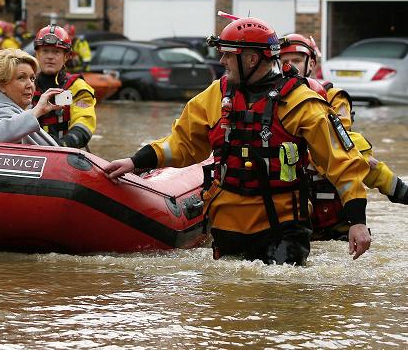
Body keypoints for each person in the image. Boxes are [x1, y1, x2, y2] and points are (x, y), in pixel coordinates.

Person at [104, 17, 372, 265]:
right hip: (227, 223)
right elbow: (182, 144)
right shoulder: (214, 96)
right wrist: (134, 161)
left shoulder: (301, 103)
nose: (221, 60)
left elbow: (343, 163)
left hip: (282, 227)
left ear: (252, 59)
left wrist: (357, 222)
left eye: (228, 55)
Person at [280, 33, 408, 240]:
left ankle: (399, 191)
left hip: (325, 164)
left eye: (295, 61)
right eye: (284, 61)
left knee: (357, 148)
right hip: (289, 170)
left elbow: (337, 139)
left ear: (311, 63)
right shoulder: (273, 97)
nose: (289, 66)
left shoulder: (333, 96)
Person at [0, 48, 63, 145]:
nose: (30, 85)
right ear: (2, 85)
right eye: (21, 78)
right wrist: (37, 110)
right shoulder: (0, 109)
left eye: (32, 78)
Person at [32, 24, 97, 149]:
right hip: (32, 153)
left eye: (56, 52)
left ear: (66, 57)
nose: (50, 56)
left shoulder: (77, 87)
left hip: (66, 153)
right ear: (37, 54)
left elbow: (84, 121)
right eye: (45, 51)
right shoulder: (27, 85)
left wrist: (63, 145)